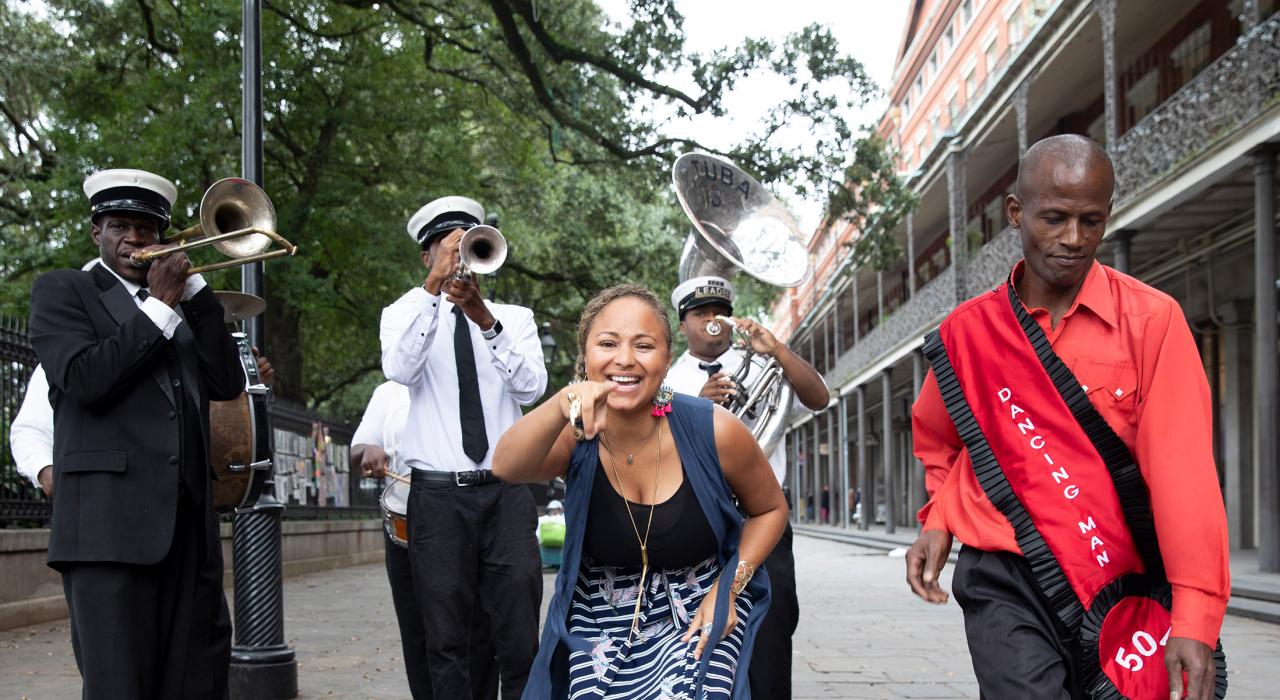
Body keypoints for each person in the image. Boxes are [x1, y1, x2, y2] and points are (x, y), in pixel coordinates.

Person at [906, 135, 1228, 700]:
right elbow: (944, 442)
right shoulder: (969, 333)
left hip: (1116, 585)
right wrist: (938, 519)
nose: (1074, 239)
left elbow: (1185, 479)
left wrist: (1195, 616)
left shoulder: (1153, 322)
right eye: (1054, 218)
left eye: (1091, 221)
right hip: (1003, 573)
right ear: (1016, 213)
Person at [493, 284, 788, 699]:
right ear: (586, 356)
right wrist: (562, 402)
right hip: (599, 611)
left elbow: (771, 509)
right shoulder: (575, 435)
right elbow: (506, 466)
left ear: (667, 360)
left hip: (698, 603)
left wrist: (728, 589)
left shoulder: (714, 429)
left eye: (644, 345)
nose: (625, 359)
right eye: (607, 344)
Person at [27, 168, 245, 698]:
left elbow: (226, 382)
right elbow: (86, 380)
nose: (133, 239)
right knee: (120, 688)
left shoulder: (182, 304)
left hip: (188, 538)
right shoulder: (64, 290)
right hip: (108, 536)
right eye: (119, 227)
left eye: (146, 229)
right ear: (96, 233)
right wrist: (159, 307)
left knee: (198, 683)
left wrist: (196, 292)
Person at [380, 195, 547, 699]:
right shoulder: (402, 313)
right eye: (445, 246)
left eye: (466, 244)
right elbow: (400, 370)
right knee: (445, 640)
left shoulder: (514, 317)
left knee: (518, 636)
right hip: (437, 499)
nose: (457, 255)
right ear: (426, 256)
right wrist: (434, 293)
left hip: (506, 493)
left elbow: (531, 388)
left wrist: (483, 318)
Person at [663, 274, 829, 699]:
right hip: (699, 517)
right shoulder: (668, 381)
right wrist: (697, 405)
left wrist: (778, 350)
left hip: (765, 515)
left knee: (773, 624)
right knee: (697, 626)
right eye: (701, 314)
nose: (712, 321)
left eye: (720, 313)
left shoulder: (762, 364)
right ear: (683, 324)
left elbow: (819, 398)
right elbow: (657, 451)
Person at [13, 258, 274, 501]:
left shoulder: (170, 332)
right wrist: (46, 471)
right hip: (108, 502)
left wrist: (243, 375)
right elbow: (30, 428)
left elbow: (210, 392)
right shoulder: (69, 355)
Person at [349, 379, 500, 700]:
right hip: (407, 530)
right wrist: (368, 450)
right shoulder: (388, 392)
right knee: (417, 630)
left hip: (466, 525)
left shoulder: (468, 381)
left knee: (478, 627)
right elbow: (358, 446)